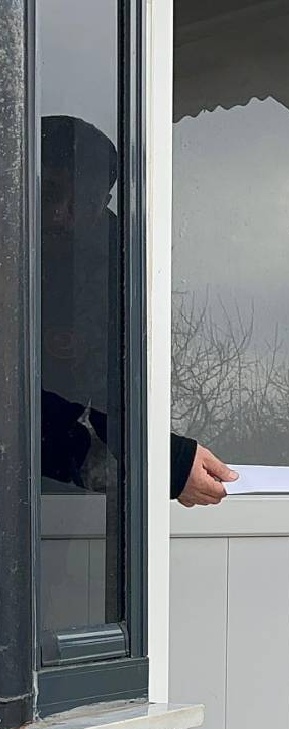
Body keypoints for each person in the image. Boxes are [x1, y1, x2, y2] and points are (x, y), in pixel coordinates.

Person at [39, 114, 235, 505]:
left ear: (103, 204)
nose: (62, 214)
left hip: (54, 486)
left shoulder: (121, 270)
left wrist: (167, 463)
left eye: (83, 202)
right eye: (49, 194)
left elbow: (113, 388)